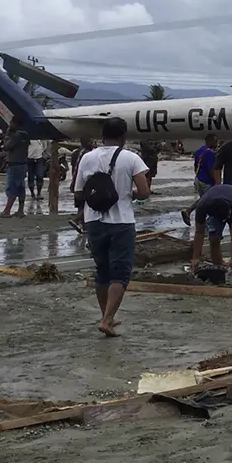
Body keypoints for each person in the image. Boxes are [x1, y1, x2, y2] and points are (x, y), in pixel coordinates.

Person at [72, 116, 151, 337]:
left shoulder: (87, 157)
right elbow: (144, 192)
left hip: (94, 222)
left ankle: (107, 315)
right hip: (122, 222)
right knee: (120, 273)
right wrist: (128, 193)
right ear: (124, 136)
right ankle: (107, 320)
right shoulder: (131, 158)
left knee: (102, 272)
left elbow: (78, 192)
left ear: (103, 135)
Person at [190, 183, 232, 274]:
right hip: (214, 201)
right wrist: (195, 258)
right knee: (214, 238)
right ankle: (218, 268)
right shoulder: (202, 207)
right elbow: (199, 232)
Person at [180, 133, 219, 226]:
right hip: (207, 181)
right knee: (209, 201)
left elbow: (195, 166)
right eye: (216, 141)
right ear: (211, 141)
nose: (217, 143)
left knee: (204, 200)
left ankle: (196, 216)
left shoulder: (199, 151)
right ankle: (203, 219)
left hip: (199, 179)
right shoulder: (210, 153)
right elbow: (211, 169)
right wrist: (217, 181)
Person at [0, 121, 30, 218]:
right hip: (23, 164)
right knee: (20, 188)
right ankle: (20, 210)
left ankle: (7, 211)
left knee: (12, 188)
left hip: (15, 164)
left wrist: (6, 136)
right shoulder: (26, 134)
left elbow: (7, 147)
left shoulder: (16, 136)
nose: (9, 124)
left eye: (11, 123)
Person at [68, 138, 95, 233]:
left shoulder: (77, 153)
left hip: (77, 182)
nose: (93, 144)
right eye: (90, 142)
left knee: (81, 205)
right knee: (88, 205)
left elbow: (74, 168)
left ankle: (84, 227)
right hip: (84, 183)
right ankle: (77, 220)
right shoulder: (88, 155)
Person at [27, 136, 50, 201]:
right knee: (30, 176)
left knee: (40, 175)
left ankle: (39, 193)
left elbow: (45, 147)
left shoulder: (42, 139)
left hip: (39, 159)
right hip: (30, 159)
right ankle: (32, 193)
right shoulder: (28, 137)